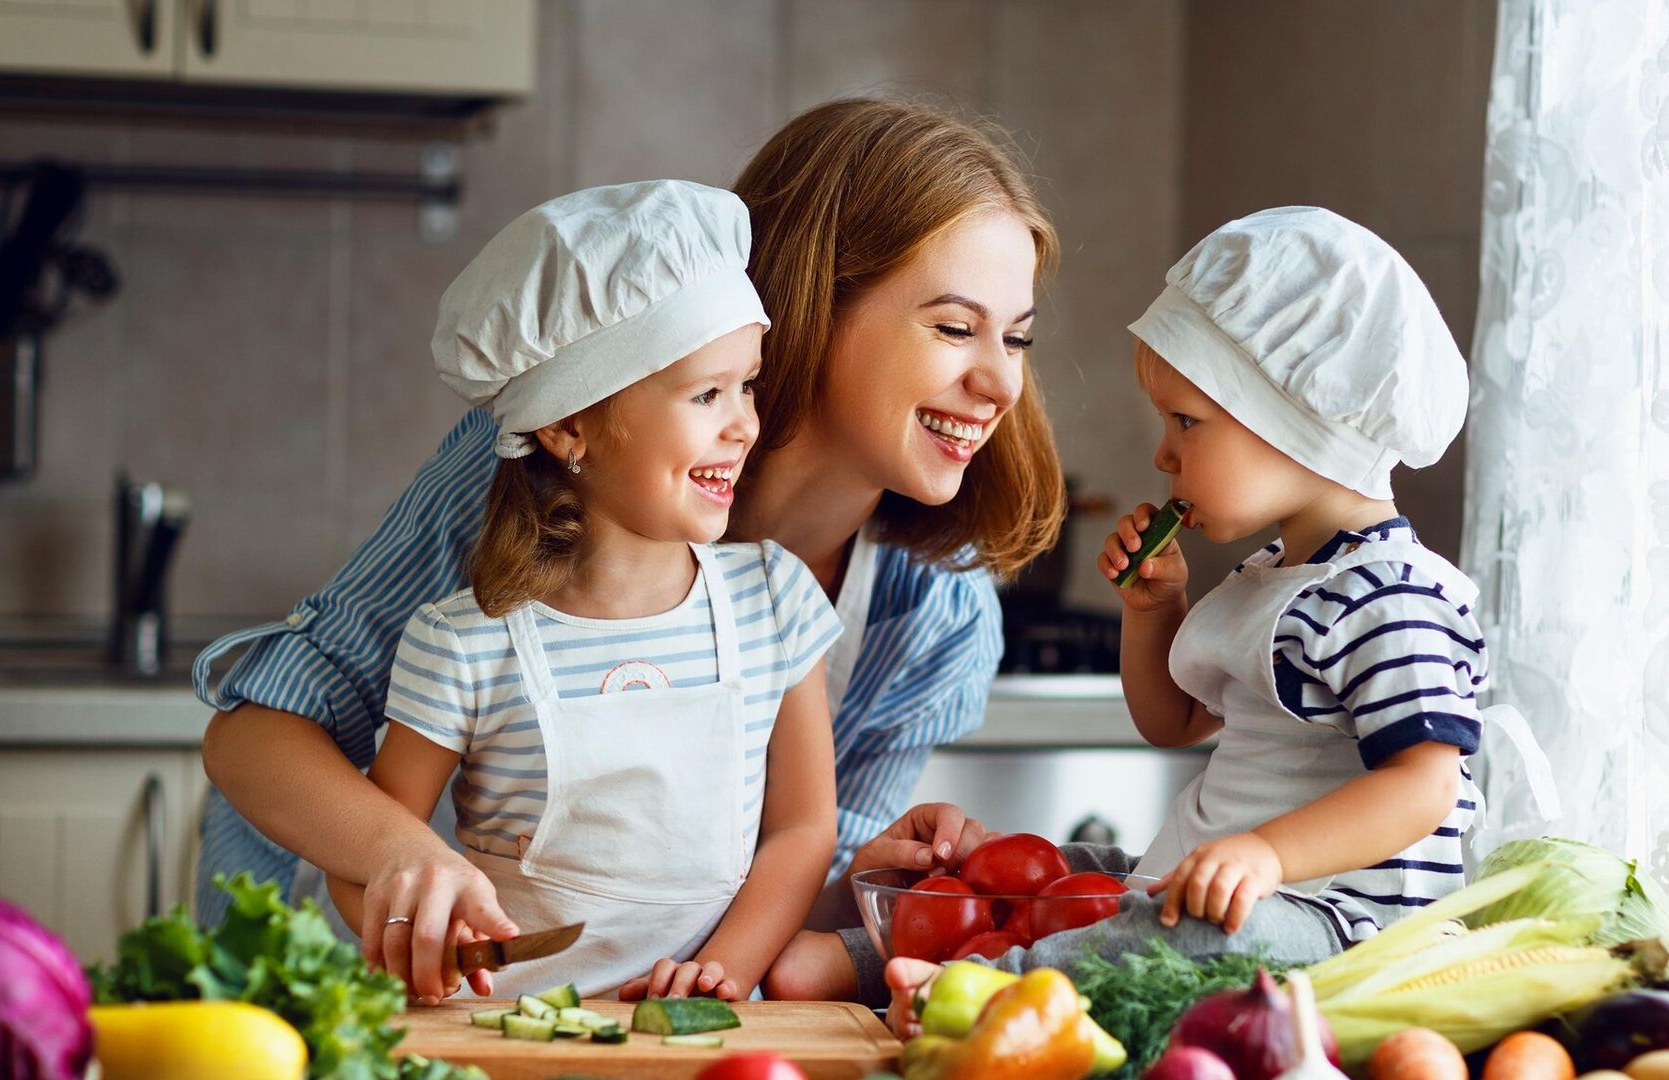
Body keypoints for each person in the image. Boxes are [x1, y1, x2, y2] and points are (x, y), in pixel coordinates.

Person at [190, 98, 1066, 999]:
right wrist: (405, 856)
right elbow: (257, 732)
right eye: (956, 328)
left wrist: (878, 889)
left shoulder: (934, 614)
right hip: (355, 983)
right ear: (811, 303)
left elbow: (779, 916)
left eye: (1020, 337)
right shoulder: (545, 463)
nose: (1001, 381)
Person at [880, 207, 1547, 1031]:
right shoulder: (1275, 576)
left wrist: (1268, 856)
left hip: (1331, 921)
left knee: (1189, 928)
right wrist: (1153, 610)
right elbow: (1174, 723)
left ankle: (987, 992)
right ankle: (870, 948)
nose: (1163, 455)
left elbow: (1425, 784)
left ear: (1297, 421)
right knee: (1065, 866)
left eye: (1186, 422)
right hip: (1236, 884)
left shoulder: (1393, 598)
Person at [318, 181, 839, 1003]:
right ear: (569, 430)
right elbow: (370, 864)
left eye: (748, 386)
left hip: (702, 1037)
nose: (744, 424)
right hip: (504, 1034)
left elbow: (804, 829)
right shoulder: (465, 643)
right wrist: (421, 933)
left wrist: (721, 975)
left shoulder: (774, 600)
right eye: (707, 393)